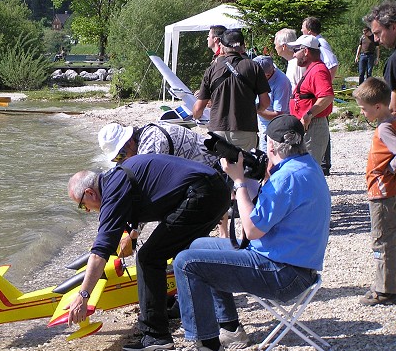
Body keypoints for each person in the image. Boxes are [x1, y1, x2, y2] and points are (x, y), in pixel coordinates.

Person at [168, 115, 331, 351]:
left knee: (186, 263)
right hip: (294, 264)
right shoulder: (307, 166)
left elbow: (252, 230)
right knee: (199, 246)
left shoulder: (287, 178)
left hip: (283, 274)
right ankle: (230, 329)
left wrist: (239, 182)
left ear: (272, 146)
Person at [66, 154, 231, 351]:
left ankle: (155, 335)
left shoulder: (113, 191)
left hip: (202, 194)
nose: (87, 210)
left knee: (149, 258)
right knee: (190, 255)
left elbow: (99, 252)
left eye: (82, 205)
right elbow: (152, 194)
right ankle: (229, 324)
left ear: (90, 193)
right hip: (215, 188)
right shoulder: (116, 177)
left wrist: (83, 295)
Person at [193, 29, 270, 237]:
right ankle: (250, 228)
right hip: (245, 130)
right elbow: (265, 104)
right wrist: (248, 107)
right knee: (248, 178)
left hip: (218, 132)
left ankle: (224, 233)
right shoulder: (254, 67)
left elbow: (198, 108)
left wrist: (196, 114)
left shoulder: (213, 68)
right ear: (243, 46)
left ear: (222, 47)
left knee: (219, 183)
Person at [352, 77, 396, 306]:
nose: (361, 112)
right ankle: (386, 281)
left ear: (377, 107)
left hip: (382, 192)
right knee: (390, 237)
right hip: (388, 191)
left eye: (363, 108)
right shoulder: (392, 121)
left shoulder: (384, 129)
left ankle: (385, 289)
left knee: (381, 239)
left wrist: (389, 168)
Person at [287, 34, 334, 166]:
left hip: (313, 126)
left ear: (306, 51)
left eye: (296, 50)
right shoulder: (312, 69)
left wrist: (308, 114)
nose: (294, 54)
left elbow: (327, 96)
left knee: (309, 169)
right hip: (309, 126)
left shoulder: (318, 70)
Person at [302, 17, 338, 175]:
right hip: (318, 95)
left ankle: (324, 164)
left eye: (303, 28)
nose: (301, 30)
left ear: (309, 31)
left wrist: (324, 84)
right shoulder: (318, 42)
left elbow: (332, 64)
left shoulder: (320, 43)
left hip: (319, 97)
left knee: (321, 126)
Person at [98, 122, 218, 168]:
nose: (121, 160)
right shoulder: (143, 135)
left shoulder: (151, 144)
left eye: (121, 155)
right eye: (116, 159)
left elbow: (147, 184)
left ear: (129, 141)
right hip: (202, 167)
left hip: (217, 166)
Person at [252, 55, 292, 152]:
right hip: (260, 126)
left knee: (268, 160)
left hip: (274, 130)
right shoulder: (263, 75)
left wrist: (255, 109)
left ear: (268, 74)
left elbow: (278, 115)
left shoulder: (281, 83)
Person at [364, 1, 396, 114]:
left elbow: (392, 108)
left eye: (378, 33)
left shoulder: (394, 61)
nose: (376, 39)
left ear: (393, 27)